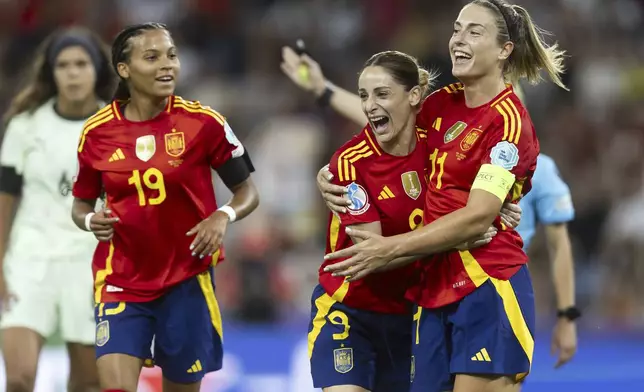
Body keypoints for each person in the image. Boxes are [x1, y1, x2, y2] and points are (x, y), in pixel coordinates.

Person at [286, 0, 566, 391]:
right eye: (456, 29)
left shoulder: (507, 121)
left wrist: (390, 248)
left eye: (474, 31)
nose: (458, 40)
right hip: (431, 295)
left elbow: (477, 217)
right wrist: (329, 134)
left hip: (485, 283)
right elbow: (387, 111)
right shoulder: (442, 104)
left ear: (505, 50)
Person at [309, 51, 523, 392]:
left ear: (414, 96)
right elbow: (372, 256)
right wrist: (457, 234)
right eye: (364, 96)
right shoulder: (350, 164)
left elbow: (481, 190)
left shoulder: (439, 146)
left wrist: (500, 204)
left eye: (381, 94)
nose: (369, 106)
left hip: (414, 314)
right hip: (351, 310)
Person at [71, 22, 259, 392]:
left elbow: (247, 192)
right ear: (124, 69)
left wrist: (223, 216)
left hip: (186, 280)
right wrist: (91, 219)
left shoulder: (203, 123)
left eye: (172, 56)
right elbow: (80, 204)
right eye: (152, 57)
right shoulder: (97, 133)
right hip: (120, 279)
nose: (167, 65)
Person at [0, 27, 114, 392]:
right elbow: (4, 199)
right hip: (31, 259)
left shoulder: (116, 127)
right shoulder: (25, 126)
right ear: (51, 72)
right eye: (63, 65)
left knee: (87, 381)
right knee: (18, 378)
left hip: (91, 263)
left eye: (81, 63)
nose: (73, 73)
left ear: (97, 69)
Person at [516, 153, 578, 368]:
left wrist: (566, 316)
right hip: (434, 285)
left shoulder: (539, 168)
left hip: (502, 289)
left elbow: (559, 245)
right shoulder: (446, 155)